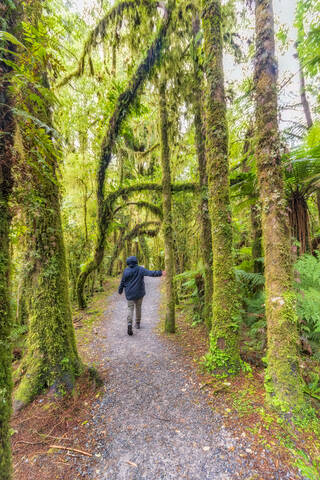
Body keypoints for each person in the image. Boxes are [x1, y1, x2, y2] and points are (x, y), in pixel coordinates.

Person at [118, 256, 165, 336]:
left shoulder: (126, 270)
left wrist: (120, 290)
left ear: (128, 263)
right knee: (138, 307)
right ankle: (137, 323)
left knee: (130, 308)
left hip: (129, 293)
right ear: (136, 261)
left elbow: (122, 282)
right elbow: (151, 273)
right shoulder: (140, 269)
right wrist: (161, 273)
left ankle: (129, 324)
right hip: (139, 293)